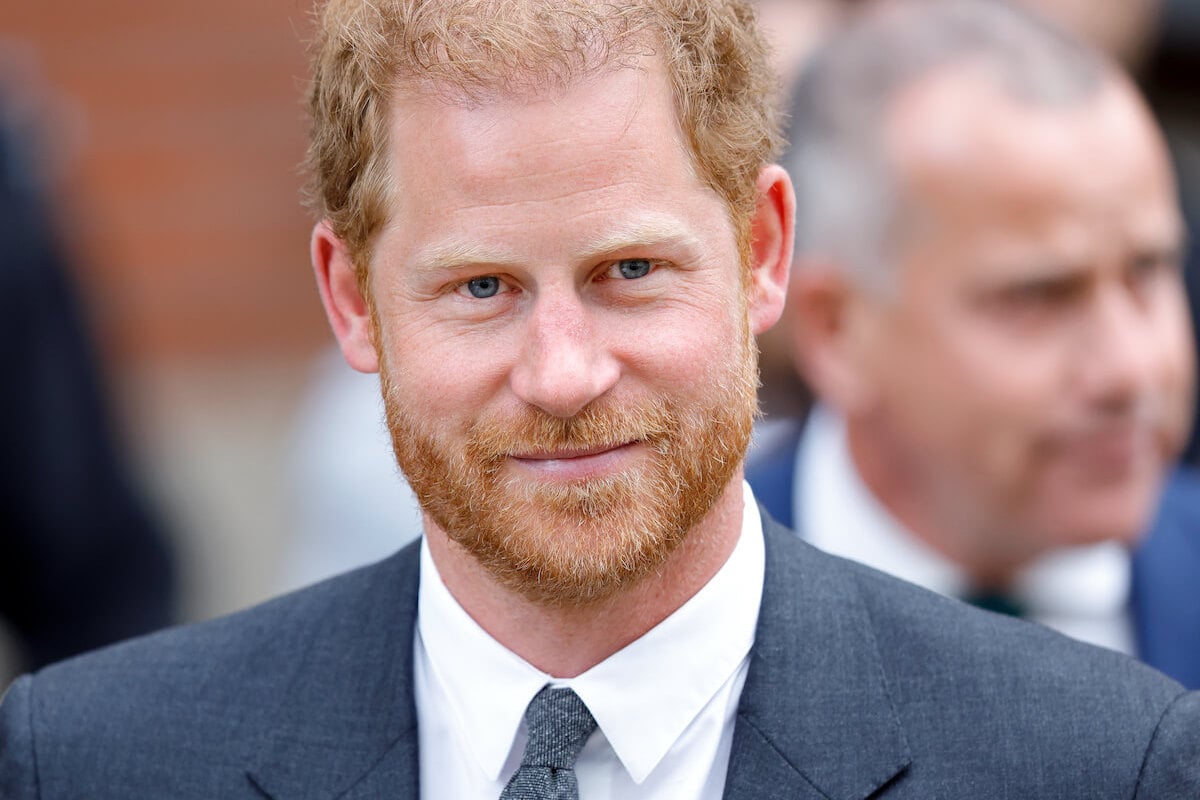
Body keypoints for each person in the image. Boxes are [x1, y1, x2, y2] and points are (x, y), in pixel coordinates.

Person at [2, 0, 1198, 796]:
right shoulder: (96, 762)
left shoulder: (1098, 763)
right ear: (352, 297)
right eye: (480, 287)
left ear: (766, 250)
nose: (564, 372)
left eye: (630, 272)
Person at [747, 0, 1200, 690]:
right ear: (836, 328)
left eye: (1148, 271)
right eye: (1038, 297)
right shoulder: (668, 613)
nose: (1130, 368)